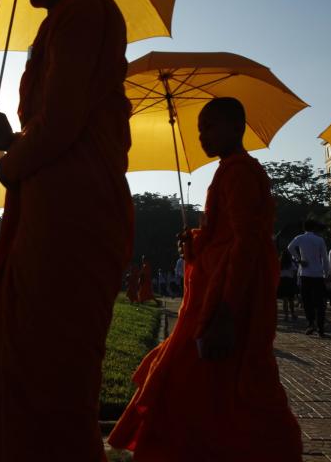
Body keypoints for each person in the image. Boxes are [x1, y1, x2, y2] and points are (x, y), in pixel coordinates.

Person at [0, 0, 134, 462]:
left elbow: (64, 123)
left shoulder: (85, 10)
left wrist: (12, 165)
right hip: (49, 200)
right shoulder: (57, 24)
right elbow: (53, 122)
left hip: (72, 210)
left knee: (50, 367)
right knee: (17, 357)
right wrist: (11, 139)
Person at [108, 97, 302, 461]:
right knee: (206, 383)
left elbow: (245, 241)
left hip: (229, 294)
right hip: (218, 287)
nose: (202, 136)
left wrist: (227, 309)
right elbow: (225, 237)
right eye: (199, 130)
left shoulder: (241, 171)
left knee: (211, 382)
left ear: (236, 127)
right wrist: (195, 242)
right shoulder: (229, 170)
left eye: (209, 127)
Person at [288, 220, 328, 336]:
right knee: (320, 302)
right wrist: (326, 273)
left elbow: (290, 247)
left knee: (307, 300)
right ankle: (321, 327)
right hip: (318, 274)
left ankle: (311, 323)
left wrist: (298, 259)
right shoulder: (319, 240)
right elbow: (324, 258)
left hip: (305, 273)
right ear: (314, 227)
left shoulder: (300, 238)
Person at [277, 247, 298, 321]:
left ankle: (286, 316)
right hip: (290, 281)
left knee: (285, 300)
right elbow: (295, 272)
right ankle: (292, 314)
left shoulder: (279, 262)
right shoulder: (291, 263)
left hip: (282, 281)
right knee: (291, 299)